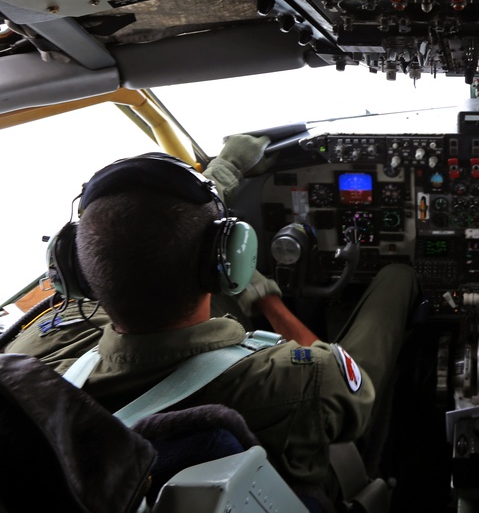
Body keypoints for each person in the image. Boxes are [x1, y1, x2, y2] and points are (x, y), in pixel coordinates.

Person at [3, 145, 421, 509]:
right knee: (395, 278)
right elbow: (355, 402)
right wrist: (267, 298)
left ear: (74, 272)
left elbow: (149, 244)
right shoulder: (306, 377)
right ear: (231, 262)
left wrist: (225, 169)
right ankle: (403, 278)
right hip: (312, 482)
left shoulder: (35, 357)